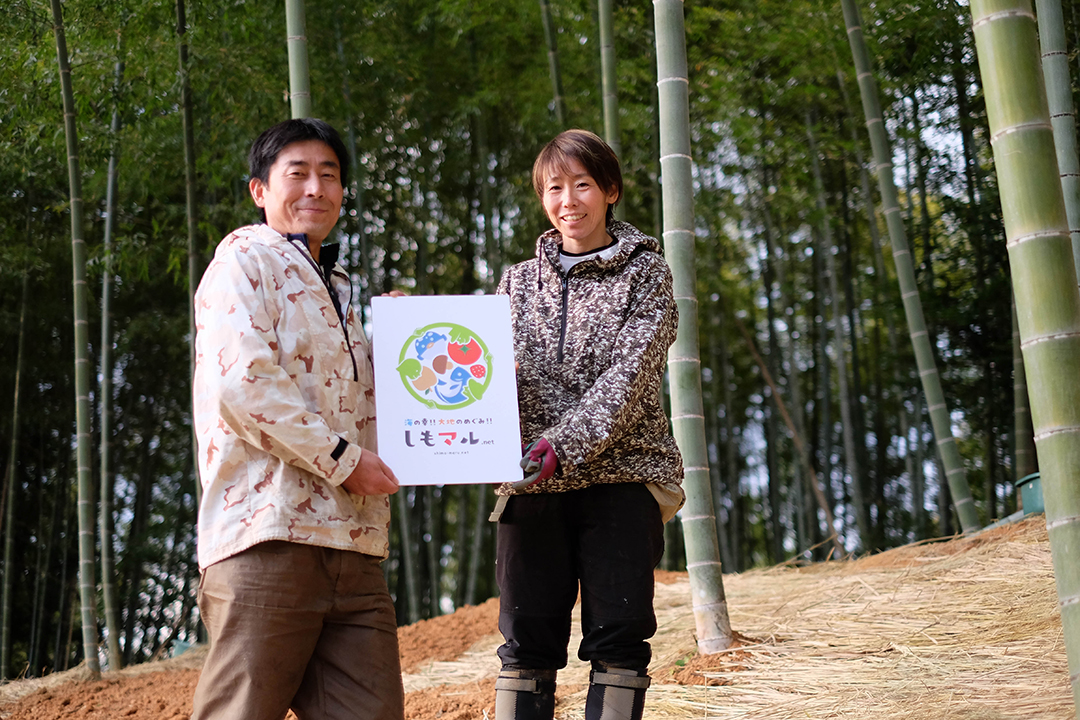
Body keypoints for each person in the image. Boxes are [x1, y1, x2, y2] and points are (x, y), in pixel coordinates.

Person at [190, 118, 404, 720]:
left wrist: (404, 346)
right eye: (298, 173)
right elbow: (243, 385)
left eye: (329, 175)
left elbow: (362, 407)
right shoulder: (243, 262)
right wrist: (342, 461)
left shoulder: (337, 286)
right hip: (269, 534)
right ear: (260, 190)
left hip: (356, 544)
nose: (315, 187)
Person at [492, 129, 685, 720]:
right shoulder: (517, 282)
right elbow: (483, 370)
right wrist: (413, 329)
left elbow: (631, 377)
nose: (568, 200)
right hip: (530, 480)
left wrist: (563, 443)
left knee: (620, 640)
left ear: (610, 191)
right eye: (555, 187)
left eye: (582, 184)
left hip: (622, 478)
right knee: (524, 648)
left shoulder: (647, 276)